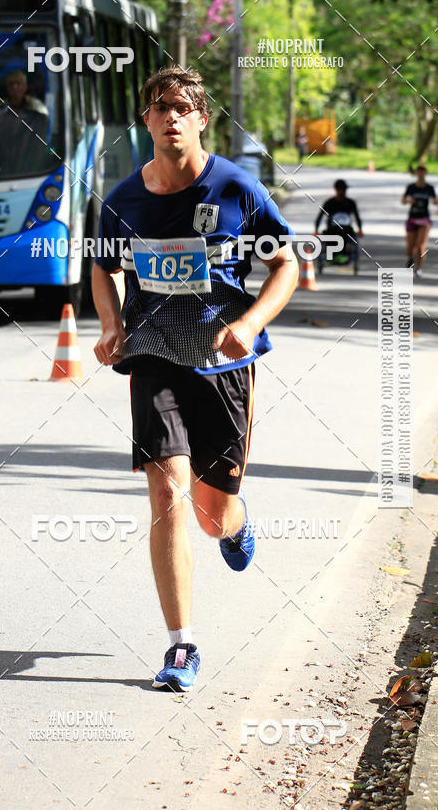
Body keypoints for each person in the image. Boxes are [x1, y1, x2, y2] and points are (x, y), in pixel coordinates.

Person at [92, 66, 298, 693]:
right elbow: (104, 268)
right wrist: (107, 325)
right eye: (159, 108)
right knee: (166, 495)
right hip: (153, 359)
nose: (171, 117)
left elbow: (285, 262)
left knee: (211, 514)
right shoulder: (122, 200)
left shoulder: (236, 187)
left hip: (224, 364)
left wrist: (253, 320)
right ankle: (181, 647)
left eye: (182, 107)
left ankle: (236, 522)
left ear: (202, 118)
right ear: (147, 121)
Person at [402, 163, 438, 277]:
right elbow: (403, 200)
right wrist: (409, 201)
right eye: (418, 171)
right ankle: (410, 258)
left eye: (422, 171)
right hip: (412, 218)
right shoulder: (411, 187)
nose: (420, 173)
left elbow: (434, 200)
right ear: (416, 173)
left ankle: (418, 268)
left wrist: (437, 202)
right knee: (410, 247)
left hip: (424, 219)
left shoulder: (429, 188)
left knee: (421, 245)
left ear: (425, 173)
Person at [314, 178, 364, 268]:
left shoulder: (350, 203)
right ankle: (330, 257)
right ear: (336, 190)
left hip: (346, 228)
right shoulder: (329, 203)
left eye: (344, 190)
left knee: (346, 234)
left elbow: (357, 217)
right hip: (332, 228)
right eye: (341, 190)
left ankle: (342, 255)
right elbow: (320, 216)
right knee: (331, 235)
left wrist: (360, 229)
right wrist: (316, 230)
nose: (343, 192)